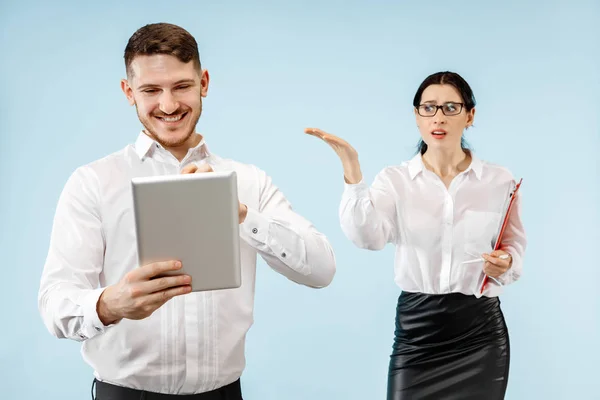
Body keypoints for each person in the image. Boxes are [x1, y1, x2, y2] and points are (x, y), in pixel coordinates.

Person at [38, 22, 336, 400]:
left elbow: (322, 270)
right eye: (150, 90)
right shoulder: (93, 182)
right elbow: (54, 303)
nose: (168, 105)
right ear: (128, 92)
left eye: (181, 86)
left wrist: (244, 217)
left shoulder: (248, 181)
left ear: (204, 83)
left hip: (225, 394)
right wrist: (111, 303)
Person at [306, 71, 527, 400]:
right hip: (418, 330)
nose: (438, 117)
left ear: (470, 115)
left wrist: (505, 264)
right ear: (417, 116)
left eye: (450, 107)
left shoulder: (499, 181)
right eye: (429, 108)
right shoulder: (395, 181)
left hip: (480, 333)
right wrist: (353, 173)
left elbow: (513, 247)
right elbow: (368, 237)